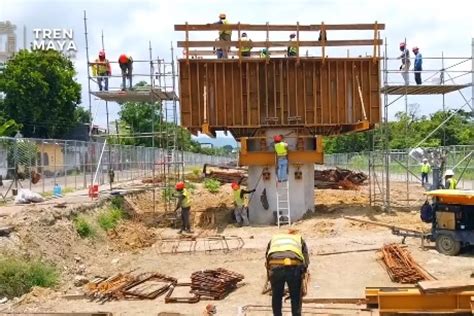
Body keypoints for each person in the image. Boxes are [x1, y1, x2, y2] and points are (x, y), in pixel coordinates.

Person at [265, 229, 310, 316]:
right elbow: (306, 259)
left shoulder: (275, 238)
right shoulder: (298, 238)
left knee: (276, 295)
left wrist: (270, 273)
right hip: (293, 267)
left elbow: (267, 256)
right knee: (295, 296)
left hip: (275, 266)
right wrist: (302, 272)